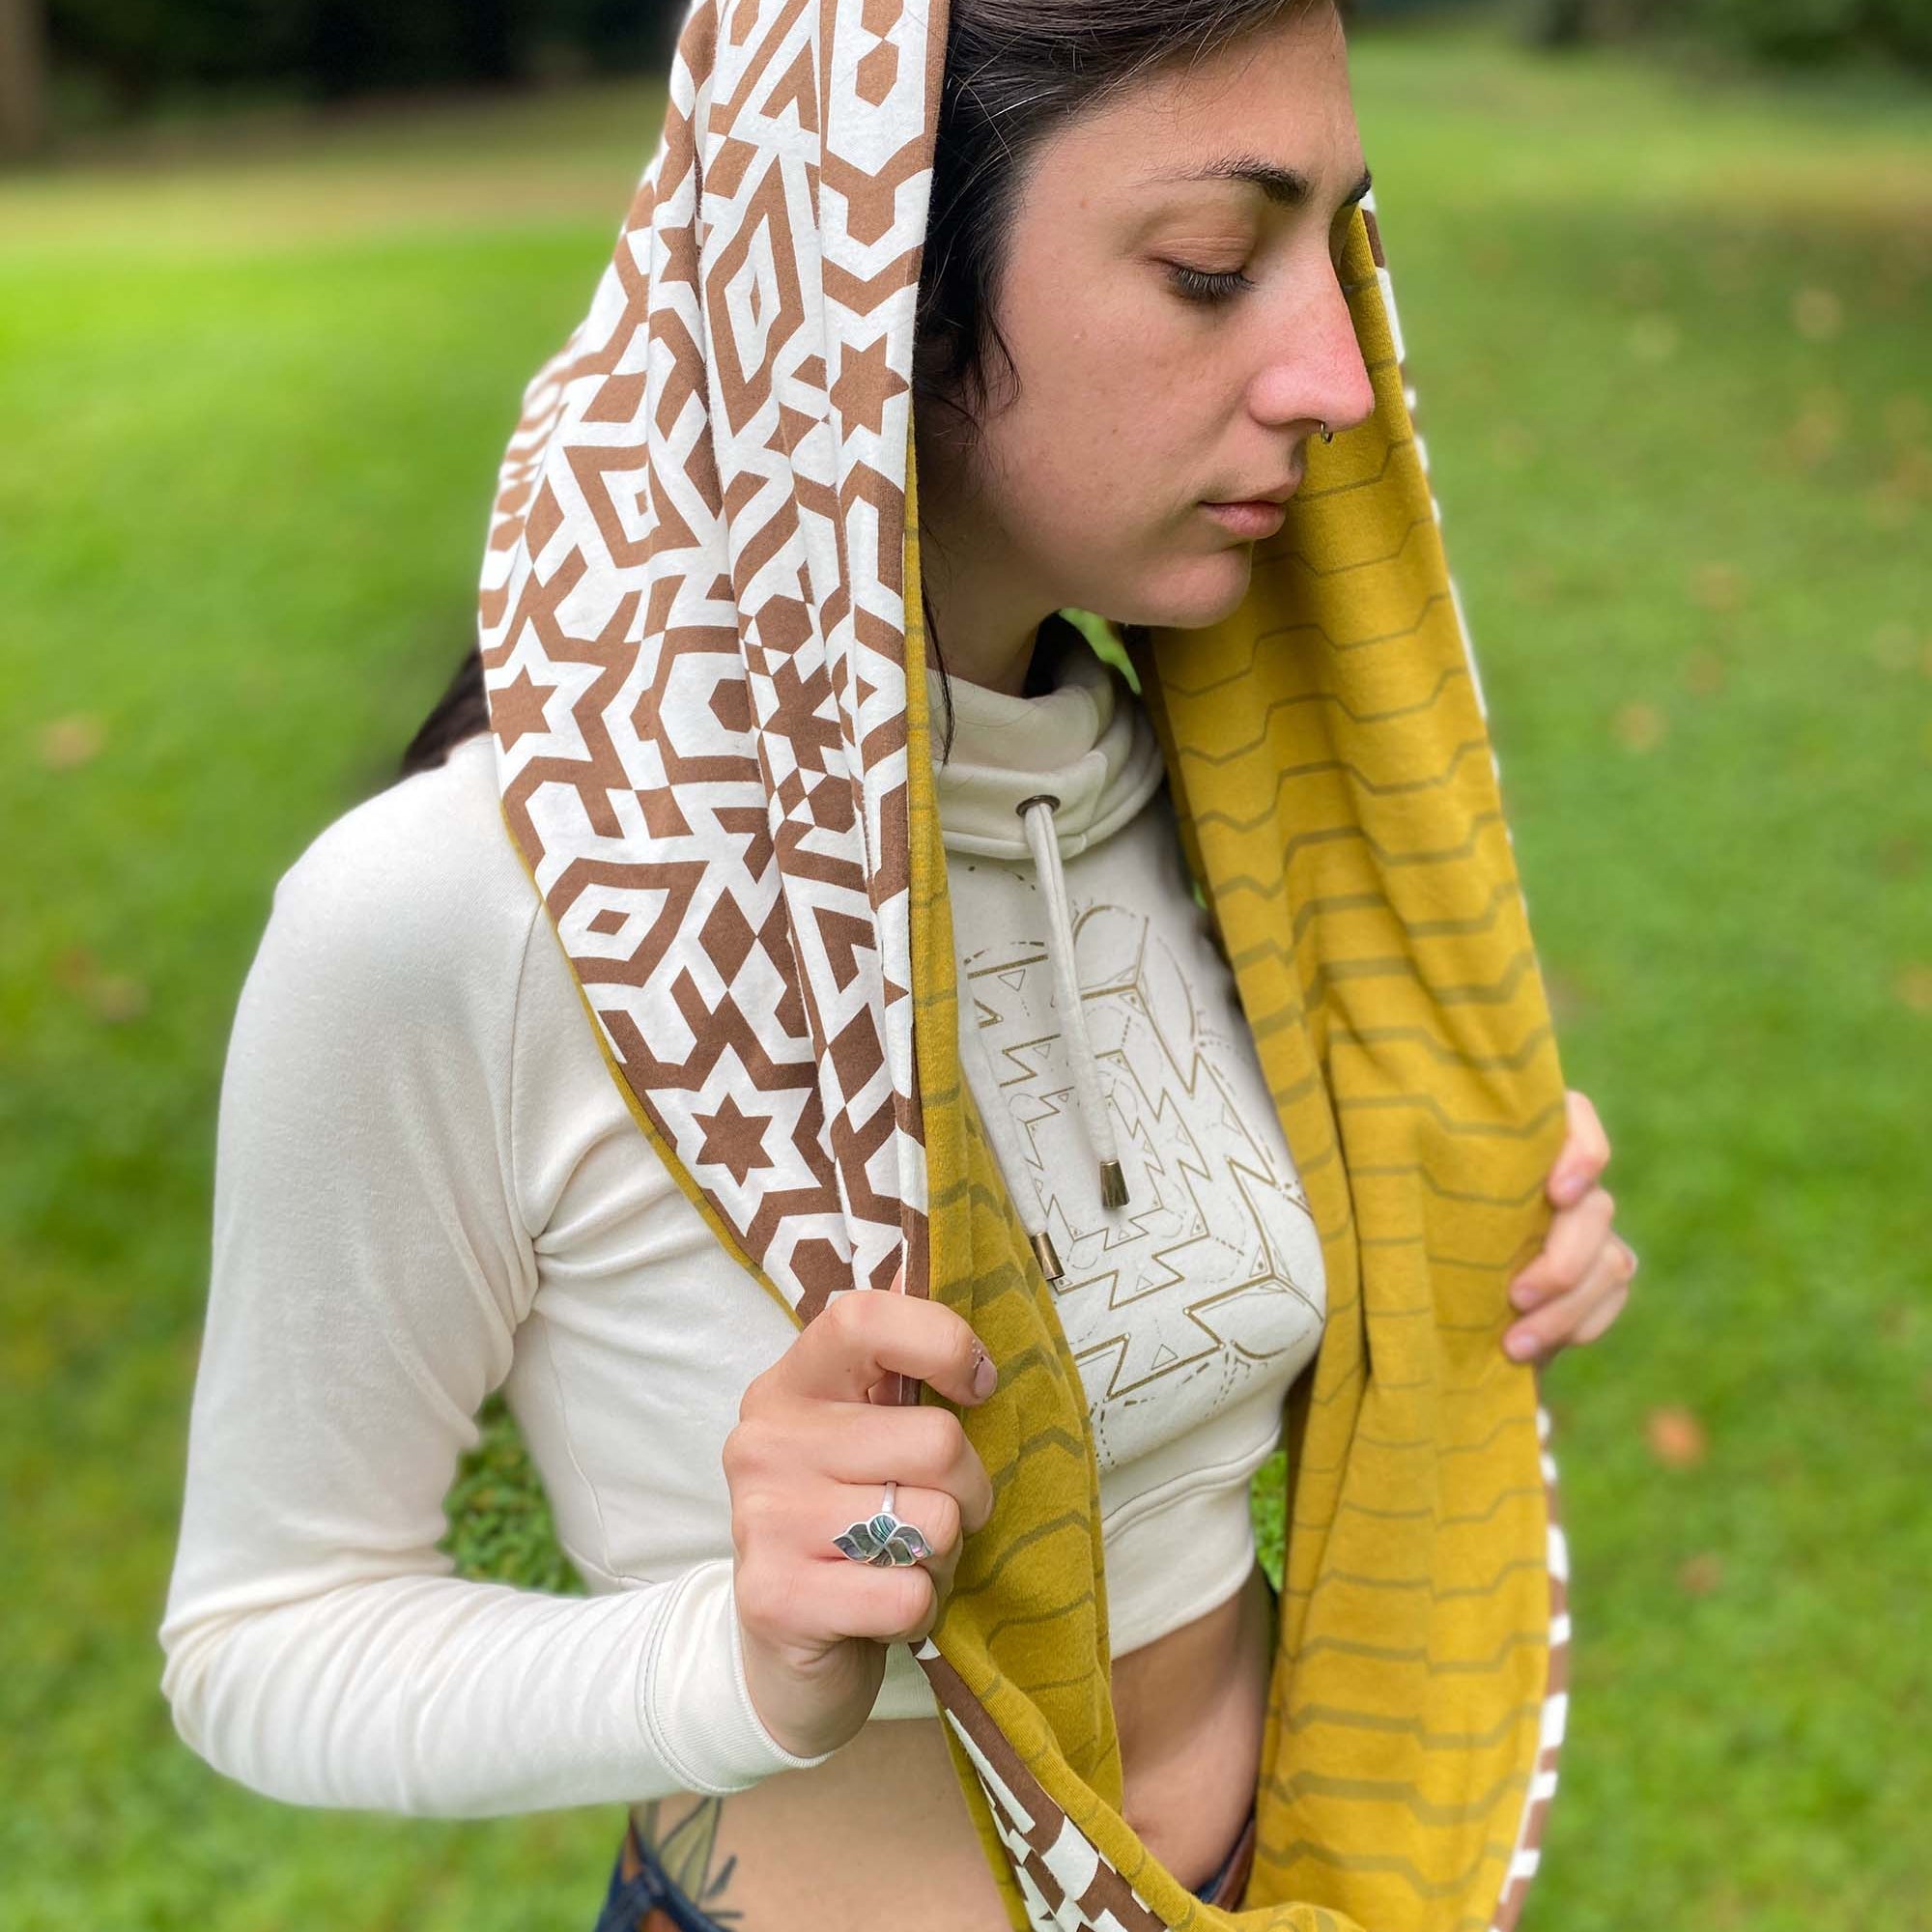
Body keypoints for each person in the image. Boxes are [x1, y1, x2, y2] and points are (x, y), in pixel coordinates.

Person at [158, 0, 1635, 1926]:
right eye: (1210, 266)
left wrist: (1454, 1258)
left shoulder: (1244, 832)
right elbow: (265, 1636)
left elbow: (1181, 1383)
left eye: (1339, 249)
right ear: (871, 279)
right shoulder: (472, 912)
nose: (1339, 377)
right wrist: (741, 1656)